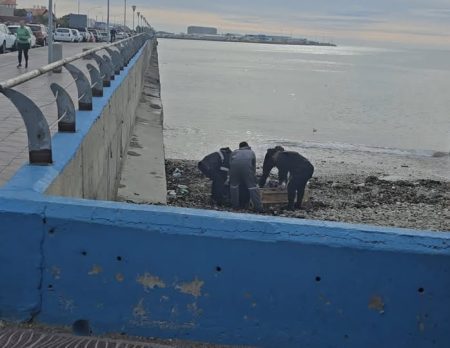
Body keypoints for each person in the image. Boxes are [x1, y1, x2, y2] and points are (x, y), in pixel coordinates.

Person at [259, 146, 314, 210]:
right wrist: (283, 182)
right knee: (300, 187)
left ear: (274, 156)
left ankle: (290, 206)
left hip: (302, 169)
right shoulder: (285, 155)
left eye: (273, 159)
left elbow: (283, 171)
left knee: (291, 187)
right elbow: (289, 169)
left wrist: (282, 183)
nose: (274, 161)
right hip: (309, 168)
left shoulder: (279, 157)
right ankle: (298, 205)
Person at [229, 142, 262, 211]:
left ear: (240, 147)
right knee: (253, 188)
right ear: (247, 146)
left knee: (234, 187)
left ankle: (235, 206)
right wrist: (253, 177)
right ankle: (258, 207)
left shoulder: (234, 152)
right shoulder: (251, 152)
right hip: (247, 170)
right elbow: (253, 167)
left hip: (234, 169)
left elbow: (230, 163)